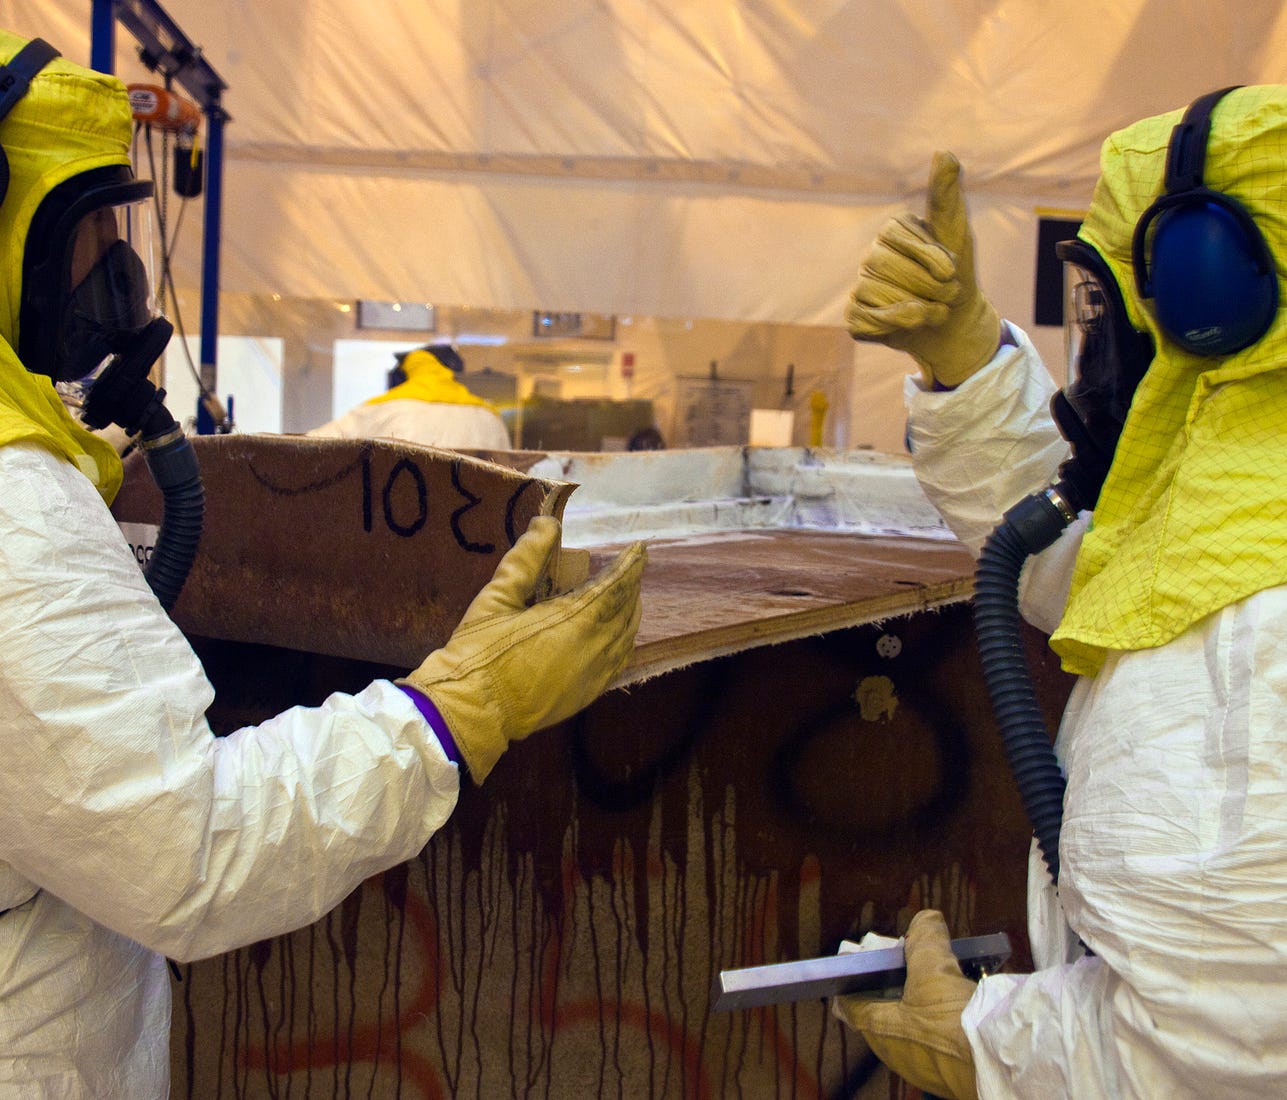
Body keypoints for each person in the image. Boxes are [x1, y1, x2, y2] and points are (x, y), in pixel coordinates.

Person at [0, 31, 644, 1098]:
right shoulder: (17, 520)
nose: (113, 269)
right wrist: (450, 712)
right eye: (87, 229)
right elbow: (190, 846)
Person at [831, 87, 1287, 1098]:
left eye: (1119, 301)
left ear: (1215, 295)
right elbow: (1104, 566)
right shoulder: (1244, 543)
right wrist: (964, 361)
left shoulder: (1254, 642)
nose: (1104, 343)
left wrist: (989, 1039)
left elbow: (1227, 1044)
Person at [310, 341, 513, 450]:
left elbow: (310, 445)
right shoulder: (489, 417)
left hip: (395, 519)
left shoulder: (381, 409)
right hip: (471, 520)